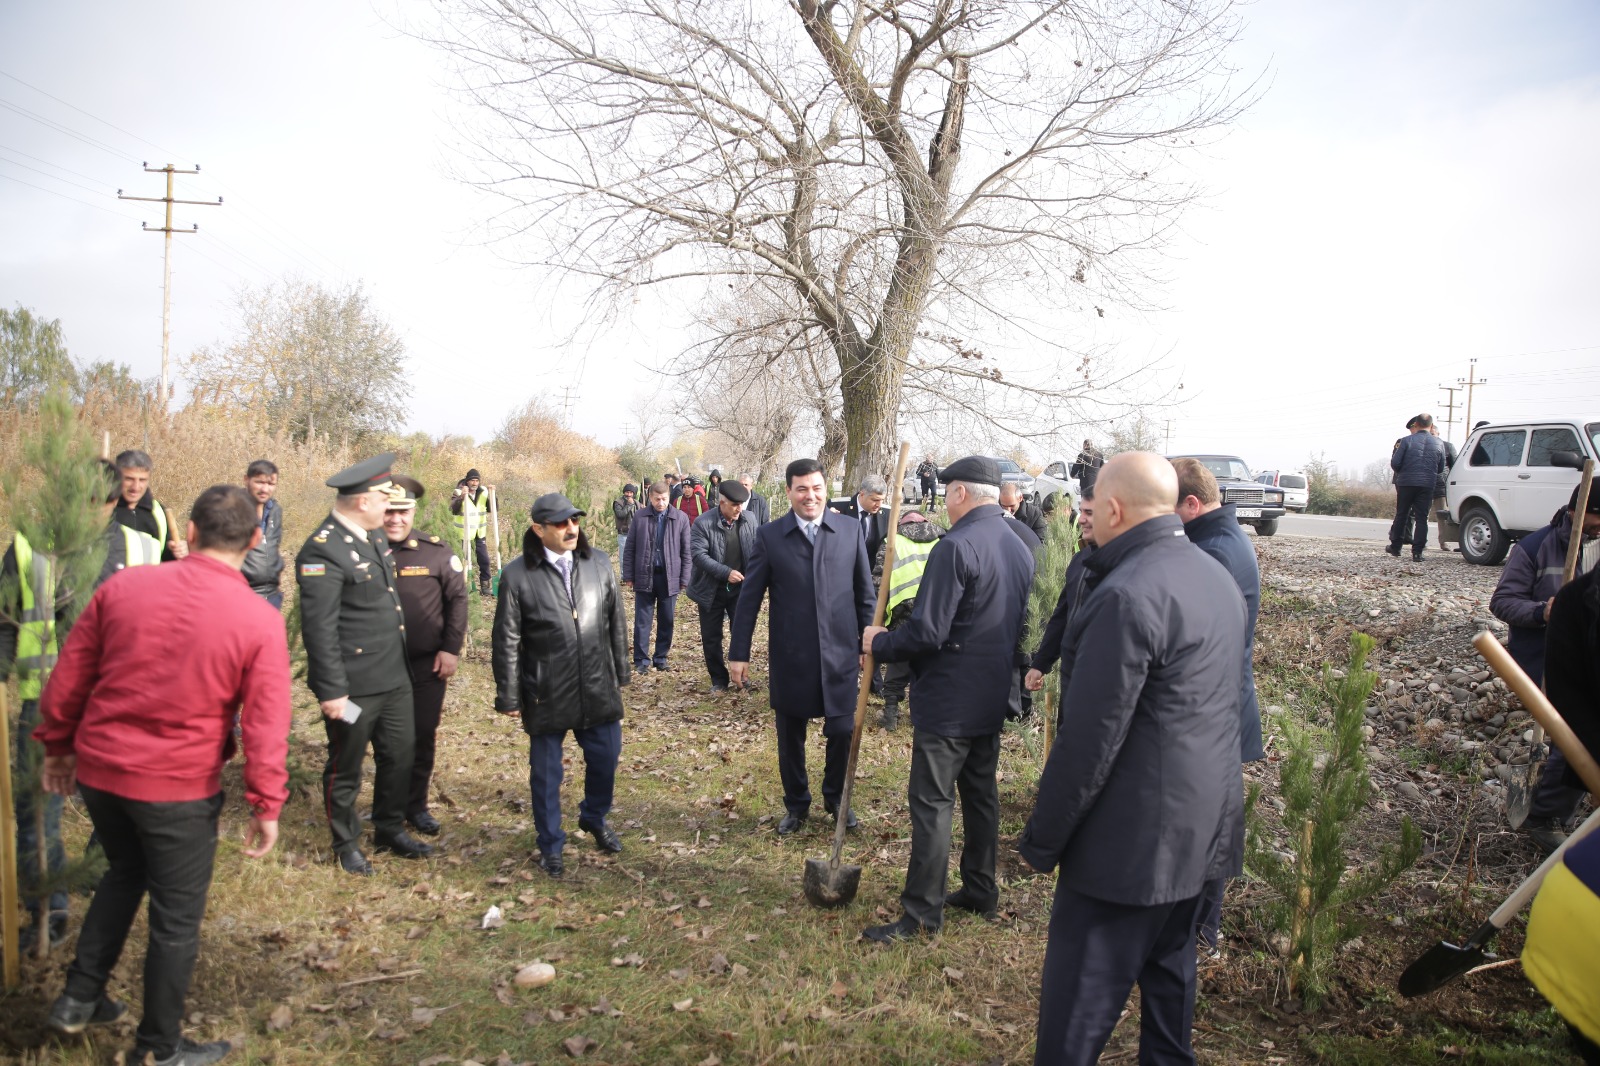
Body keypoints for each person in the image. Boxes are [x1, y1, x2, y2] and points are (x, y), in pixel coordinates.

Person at [36, 484, 290, 1066]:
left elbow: (69, 674)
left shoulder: (125, 586)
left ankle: (78, 998)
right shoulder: (256, 616)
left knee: (123, 873)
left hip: (102, 774)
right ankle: (158, 1048)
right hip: (175, 788)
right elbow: (266, 723)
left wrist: (57, 746)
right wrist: (265, 803)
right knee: (175, 920)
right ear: (254, 542)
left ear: (192, 533)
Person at [1019, 453, 1247, 1066]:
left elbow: (1090, 742)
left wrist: (1043, 841)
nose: (1085, 524)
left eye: (1094, 509)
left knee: (1075, 1024)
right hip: (1202, 839)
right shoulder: (1214, 576)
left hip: (1129, 854)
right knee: (1170, 1010)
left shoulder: (1127, 594)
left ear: (1114, 508)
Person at [860, 456, 1035, 941]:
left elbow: (928, 632)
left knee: (933, 804)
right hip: (992, 695)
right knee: (981, 798)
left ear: (960, 493)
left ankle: (920, 915)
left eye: (947, 493)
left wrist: (880, 642)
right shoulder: (1018, 545)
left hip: (951, 702)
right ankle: (981, 889)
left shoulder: (954, 547)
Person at [297, 454, 431, 875]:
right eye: (382, 499)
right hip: (353, 687)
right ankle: (346, 842)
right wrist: (332, 691)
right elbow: (318, 629)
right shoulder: (322, 551)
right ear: (361, 501)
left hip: (393, 678)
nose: (388, 509)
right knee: (346, 764)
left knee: (399, 755)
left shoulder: (370, 537)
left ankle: (389, 827)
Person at [728, 458, 875, 834]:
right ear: (789, 492)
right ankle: (796, 804)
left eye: (816, 488)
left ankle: (836, 797)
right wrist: (739, 652)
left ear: (826, 489)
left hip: (841, 654)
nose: (810, 496)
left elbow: (864, 594)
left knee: (842, 730)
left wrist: (867, 640)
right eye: (801, 489)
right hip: (792, 655)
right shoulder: (771, 536)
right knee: (790, 736)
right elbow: (749, 600)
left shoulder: (849, 530)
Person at [492, 493, 630, 879]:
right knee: (547, 773)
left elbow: (614, 619)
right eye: (560, 523)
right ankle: (551, 843)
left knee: (606, 756)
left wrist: (620, 671)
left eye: (574, 521)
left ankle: (595, 817)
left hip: (597, 684)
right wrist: (507, 693)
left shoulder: (598, 562)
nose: (571, 529)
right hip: (546, 689)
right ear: (539, 529)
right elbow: (506, 638)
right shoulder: (517, 575)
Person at [1172, 457, 1265, 958]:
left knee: (1207, 830)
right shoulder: (1212, 540)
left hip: (1215, 713)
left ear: (1191, 503)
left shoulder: (1216, 552)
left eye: (1169, 510)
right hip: (1216, 709)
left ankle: (1203, 934)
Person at [1490, 484, 1600, 852]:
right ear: (1575, 512)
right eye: (1595, 518)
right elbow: (1503, 602)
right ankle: (1547, 815)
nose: (1598, 527)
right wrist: (1542, 611)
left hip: (1592, 653)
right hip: (1544, 654)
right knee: (1573, 732)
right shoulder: (1536, 547)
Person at [383, 476, 468, 837]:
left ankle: (415, 806)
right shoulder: (363, 551)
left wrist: (450, 648)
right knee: (383, 741)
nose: (395, 519)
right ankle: (384, 810)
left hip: (425, 664)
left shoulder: (436, 552)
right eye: (388, 511)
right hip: (376, 666)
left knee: (421, 734)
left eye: (402, 511)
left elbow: (457, 601)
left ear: (412, 511)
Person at [873, 509, 945, 731]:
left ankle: (891, 715)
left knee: (898, 661)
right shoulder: (943, 538)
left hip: (901, 608)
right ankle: (921, 715)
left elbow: (878, 580)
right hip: (933, 609)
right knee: (927, 662)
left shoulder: (893, 540)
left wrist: (877, 617)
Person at [1024, 488, 1097, 705]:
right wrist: (1040, 664)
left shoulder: (1130, 565)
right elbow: (1063, 614)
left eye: (1090, 513)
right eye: (1081, 511)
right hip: (1072, 676)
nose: (1082, 519)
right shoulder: (1081, 560)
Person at [687, 479, 760, 692]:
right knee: (711, 637)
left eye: (742, 504)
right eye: (734, 504)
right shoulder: (703, 523)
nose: (739, 509)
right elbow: (698, 555)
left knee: (741, 633)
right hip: (710, 590)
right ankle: (719, 680)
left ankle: (742, 675)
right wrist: (726, 572)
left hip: (740, 591)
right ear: (722, 502)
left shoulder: (750, 520)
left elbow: (758, 549)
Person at [621, 482, 693, 672]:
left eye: (664, 499)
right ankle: (641, 660)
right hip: (645, 574)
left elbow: (687, 552)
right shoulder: (640, 517)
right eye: (657, 499)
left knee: (666, 619)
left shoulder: (680, 518)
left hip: (670, 576)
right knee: (642, 620)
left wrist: (685, 578)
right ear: (650, 498)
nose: (660, 503)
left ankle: (660, 658)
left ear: (669, 497)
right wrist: (628, 574)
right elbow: (630, 547)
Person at [1387, 414, 1445, 560]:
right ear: (1431, 426)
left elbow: (1395, 463)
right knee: (1421, 518)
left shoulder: (1406, 441)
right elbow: (1441, 467)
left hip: (1406, 482)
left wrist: (1405, 472)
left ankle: (1396, 547)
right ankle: (1418, 552)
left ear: (1417, 424)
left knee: (1402, 514)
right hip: (1427, 484)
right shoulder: (1439, 443)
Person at [110, 449, 185, 561]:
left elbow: (166, 559)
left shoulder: (159, 512)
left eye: (142, 480)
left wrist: (177, 552)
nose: (135, 487)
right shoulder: (102, 510)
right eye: (129, 479)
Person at [241, 459, 284, 608]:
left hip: (271, 595)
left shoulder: (275, 511)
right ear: (246, 479)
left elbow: (273, 546)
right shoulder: (232, 509)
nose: (265, 489)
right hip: (242, 594)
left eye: (270, 484)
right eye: (259, 482)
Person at [450, 468, 495, 596]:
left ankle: (485, 587)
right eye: (472, 481)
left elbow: (493, 508)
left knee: (484, 560)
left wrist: (493, 495)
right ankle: (465, 586)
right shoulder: (458, 491)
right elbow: (453, 509)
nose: (474, 483)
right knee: (464, 561)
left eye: (476, 481)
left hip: (479, 532)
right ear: (467, 481)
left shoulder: (484, 491)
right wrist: (461, 497)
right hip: (463, 533)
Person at [830, 474, 892, 562]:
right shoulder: (837, 507)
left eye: (882, 500)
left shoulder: (887, 513)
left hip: (870, 570)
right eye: (875, 500)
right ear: (862, 494)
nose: (879, 505)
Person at [1429, 425, 1459, 552]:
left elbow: (1455, 465)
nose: (1431, 435)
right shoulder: (1423, 446)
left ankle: (1444, 542)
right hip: (1425, 484)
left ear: (1438, 433)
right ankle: (1420, 542)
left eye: (1433, 433)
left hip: (1441, 485)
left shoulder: (1448, 446)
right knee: (1421, 515)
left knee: (1442, 515)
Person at [612, 484, 640, 561]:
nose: (629, 494)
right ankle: (623, 573)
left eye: (631, 492)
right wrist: (629, 505)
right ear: (624, 492)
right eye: (627, 492)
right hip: (624, 534)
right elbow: (620, 515)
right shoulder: (618, 502)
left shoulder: (636, 503)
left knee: (635, 558)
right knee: (624, 558)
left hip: (635, 534)